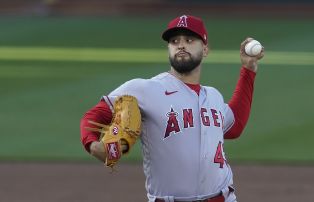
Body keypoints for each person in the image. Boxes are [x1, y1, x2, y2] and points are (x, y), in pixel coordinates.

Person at [80, 14, 264, 202]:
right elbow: (93, 115)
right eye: (174, 41)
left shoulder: (213, 96)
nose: (181, 45)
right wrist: (93, 145)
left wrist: (248, 70)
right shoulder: (144, 89)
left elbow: (235, 125)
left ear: (206, 49)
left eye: (189, 40)